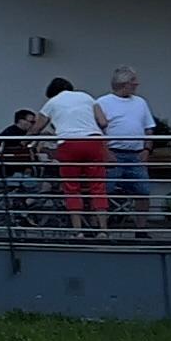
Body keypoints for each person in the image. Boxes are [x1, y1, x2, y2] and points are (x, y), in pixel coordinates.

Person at [41, 76, 108, 232]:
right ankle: (103, 230)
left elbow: (37, 126)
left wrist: (25, 140)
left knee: (72, 188)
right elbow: (103, 122)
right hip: (93, 141)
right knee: (98, 186)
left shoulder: (52, 102)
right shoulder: (86, 97)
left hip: (69, 144)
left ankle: (78, 231)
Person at [95, 67, 160, 226]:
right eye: (133, 81)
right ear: (123, 84)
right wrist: (105, 152)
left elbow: (148, 128)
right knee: (104, 192)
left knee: (143, 192)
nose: (136, 84)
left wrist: (147, 149)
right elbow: (97, 130)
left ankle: (141, 229)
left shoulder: (140, 102)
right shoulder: (102, 102)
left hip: (136, 154)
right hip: (113, 154)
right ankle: (102, 226)